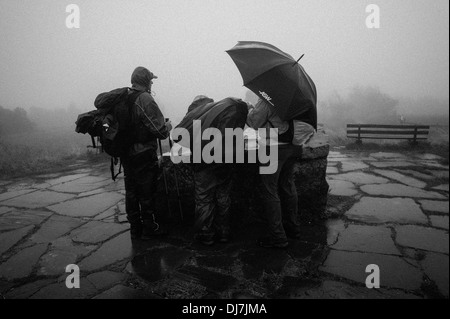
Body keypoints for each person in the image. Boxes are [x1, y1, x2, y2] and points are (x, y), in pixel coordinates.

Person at [122, 66, 172, 240]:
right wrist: (168, 126)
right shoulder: (144, 99)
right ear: (145, 81)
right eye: (150, 80)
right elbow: (160, 131)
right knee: (147, 192)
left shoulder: (124, 97)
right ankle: (150, 228)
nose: (152, 83)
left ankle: (135, 229)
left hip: (126, 153)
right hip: (143, 154)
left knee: (131, 191)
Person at [246, 98, 301, 248]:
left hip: (273, 147)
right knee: (288, 185)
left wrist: (250, 108)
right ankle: (293, 228)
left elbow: (254, 122)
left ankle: (278, 237)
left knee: (269, 189)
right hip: (292, 146)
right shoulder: (294, 99)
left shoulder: (268, 98)